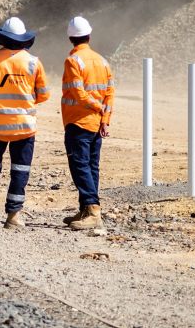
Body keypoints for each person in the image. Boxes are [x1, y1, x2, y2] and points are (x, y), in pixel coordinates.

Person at [0, 17, 49, 229]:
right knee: (20, 171)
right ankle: (13, 216)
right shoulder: (33, 62)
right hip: (25, 128)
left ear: (3, 39)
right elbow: (43, 95)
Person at [60, 16, 115, 231]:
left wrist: (97, 108)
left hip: (79, 121)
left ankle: (93, 210)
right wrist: (105, 119)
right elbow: (110, 92)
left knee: (80, 165)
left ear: (70, 39)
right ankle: (86, 208)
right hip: (96, 124)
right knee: (91, 166)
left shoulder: (73, 61)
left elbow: (78, 93)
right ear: (89, 36)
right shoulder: (102, 61)